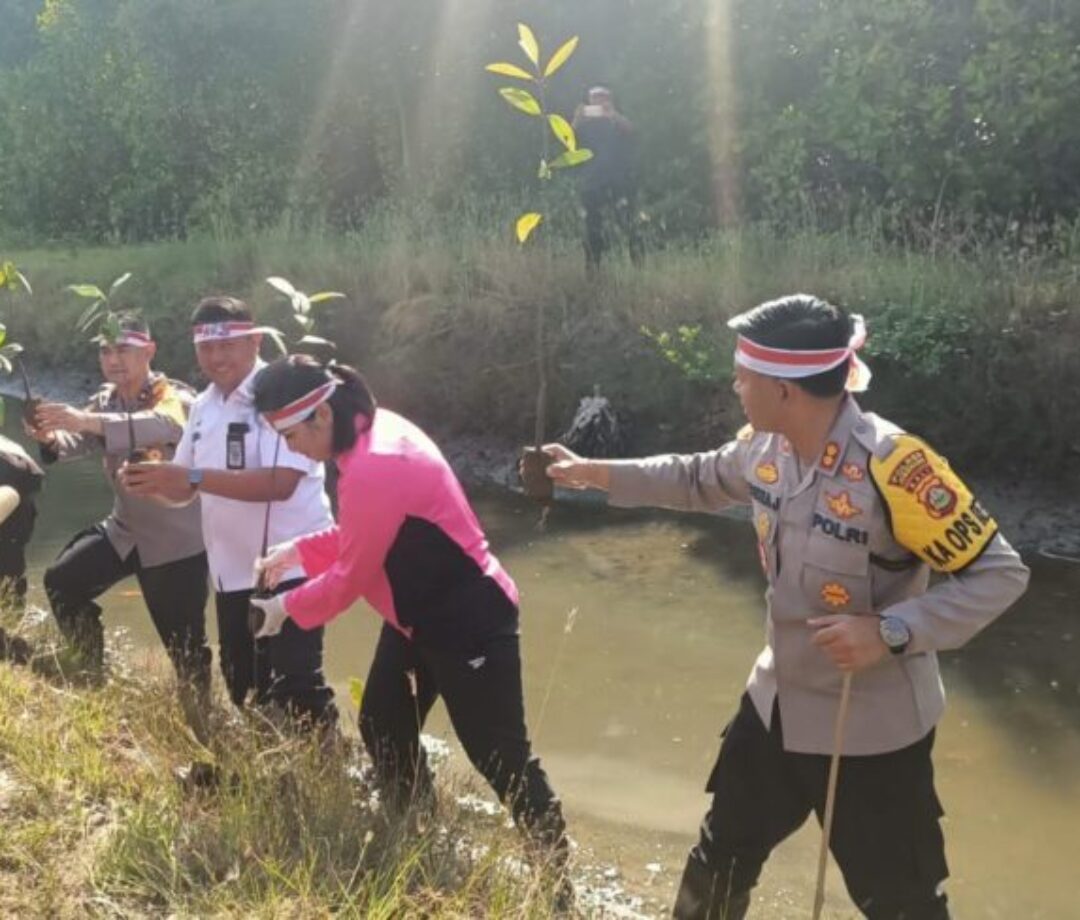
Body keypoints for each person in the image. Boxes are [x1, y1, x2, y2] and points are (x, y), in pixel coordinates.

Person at [542, 294, 1030, 920]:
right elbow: (695, 477)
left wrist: (891, 630)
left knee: (903, 904)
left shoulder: (897, 468)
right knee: (715, 866)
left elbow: (1000, 573)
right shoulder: (765, 449)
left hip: (871, 729)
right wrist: (592, 473)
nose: (735, 385)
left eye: (744, 376)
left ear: (786, 391)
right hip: (777, 705)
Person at [245, 356, 568, 866]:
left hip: (470, 622)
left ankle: (553, 865)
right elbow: (367, 534)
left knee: (499, 756)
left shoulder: (375, 464)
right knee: (383, 721)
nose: (294, 450)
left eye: (290, 437)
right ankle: (414, 829)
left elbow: (350, 577)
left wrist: (282, 608)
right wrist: (299, 552)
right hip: (417, 616)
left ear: (321, 418)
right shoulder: (368, 434)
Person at [120, 297, 337, 730]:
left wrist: (193, 479)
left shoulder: (279, 394)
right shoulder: (202, 406)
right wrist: (154, 485)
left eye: (229, 345)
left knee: (297, 685)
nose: (217, 358)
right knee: (242, 685)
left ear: (255, 340)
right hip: (231, 575)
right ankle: (278, 780)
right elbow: (186, 487)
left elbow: (281, 482)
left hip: (293, 564)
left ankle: (336, 776)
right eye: (206, 348)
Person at [27, 313, 210, 704]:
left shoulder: (176, 396)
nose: (114, 360)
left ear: (149, 350)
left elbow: (165, 425)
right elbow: (75, 445)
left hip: (176, 545)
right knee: (62, 582)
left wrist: (86, 420)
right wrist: (49, 437)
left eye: (124, 349)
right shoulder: (106, 400)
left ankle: (203, 724)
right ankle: (90, 672)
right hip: (123, 532)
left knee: (187, 652)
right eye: (106, 351)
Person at [572, 85, 644, 271]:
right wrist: (576, 120)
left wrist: (613, 115)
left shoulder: (617, 121)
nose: (599, 102)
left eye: (603, 98)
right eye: (595, 98)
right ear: (588, 101)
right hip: (592, 182)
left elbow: (634, 132)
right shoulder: (584, 124)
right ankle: (592, 270)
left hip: (619, 180)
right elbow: (567, 143)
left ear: (610, 100)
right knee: (592, 229)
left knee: (628, 224)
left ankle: (638, 268)